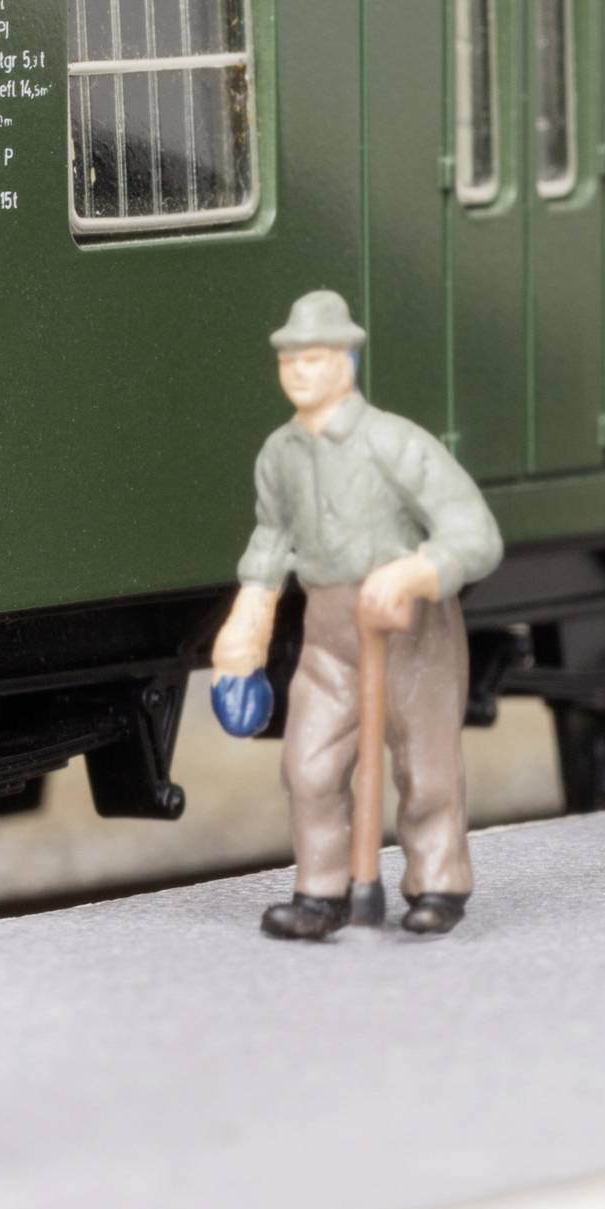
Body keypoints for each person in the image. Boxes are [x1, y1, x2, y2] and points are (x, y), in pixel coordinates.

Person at [210, 291, 503, 941]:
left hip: (409, 626)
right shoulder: (280, 455)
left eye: (314, 359)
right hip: (327, 628)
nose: (300, 373)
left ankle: (438, 882)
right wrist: (248, 621)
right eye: (290, 360)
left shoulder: (393, 444)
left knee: (425, 768)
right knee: (308, 764)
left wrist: (411, 572)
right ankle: (323, 890)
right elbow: (270, 541)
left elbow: (474, 535)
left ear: (347, 361)